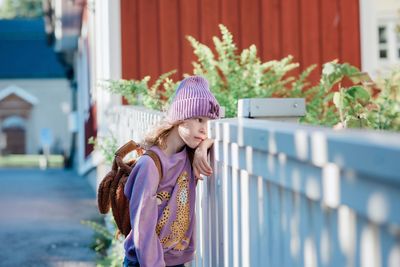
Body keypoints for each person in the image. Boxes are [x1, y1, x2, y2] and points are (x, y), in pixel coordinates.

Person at [123, 75, 220, 267]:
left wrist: (204, 146)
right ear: (180, 118)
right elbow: (143, 230)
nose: (204, 130)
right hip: (146, 262)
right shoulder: (150, 165)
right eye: (199, 119)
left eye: (208, 123)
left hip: (175, 261)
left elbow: (218, 139)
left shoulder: (189, 156)